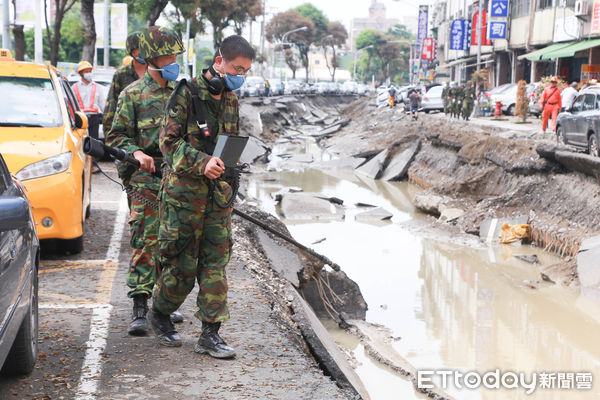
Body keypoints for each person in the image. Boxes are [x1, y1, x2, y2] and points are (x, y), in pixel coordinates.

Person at [148, 35, 256, 358]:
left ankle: (210, 334)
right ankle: (160, 313)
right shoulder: (187, 94)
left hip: (217, 198)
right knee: (180, 268)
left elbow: (228, 145)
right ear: (219, 61)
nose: (241, 76)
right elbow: (167, 144)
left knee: (215, 264)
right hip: (184, 198)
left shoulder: (231, 99)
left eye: (246, 71)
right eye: (237, 68)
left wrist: (228, 182)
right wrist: (202, 162)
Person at [106, 26, 185, 336]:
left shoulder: (182, 94)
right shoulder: (133, 94)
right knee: (145, 239)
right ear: (155, 58)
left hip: (177, 179)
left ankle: (163, 305)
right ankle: (140, 306)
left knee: (172, 243)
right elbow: (116, 135)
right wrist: (136, 152)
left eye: (177, 56)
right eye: (171, 56)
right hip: (146, 179)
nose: (176, 61)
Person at [103, 32, 148, 190]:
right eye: (139, 49)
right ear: (132, 51)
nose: (143, 52)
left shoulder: (157, 73)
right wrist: (113, 148)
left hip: (152, 152)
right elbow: (110, 111)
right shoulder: (121, 75)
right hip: (127, 149)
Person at [72, 61, 107, 172]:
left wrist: (107, 116)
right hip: (80, 119)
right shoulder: (75, 88)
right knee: (80, 142)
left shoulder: (98, 87)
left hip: (94, 118)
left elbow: (102, 104)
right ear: (81, 73)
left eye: (89, 71)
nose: (88, 73)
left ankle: (93, 165)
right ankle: (81, 166)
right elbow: (71, 104)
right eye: (86, 71)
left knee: (94, 142)